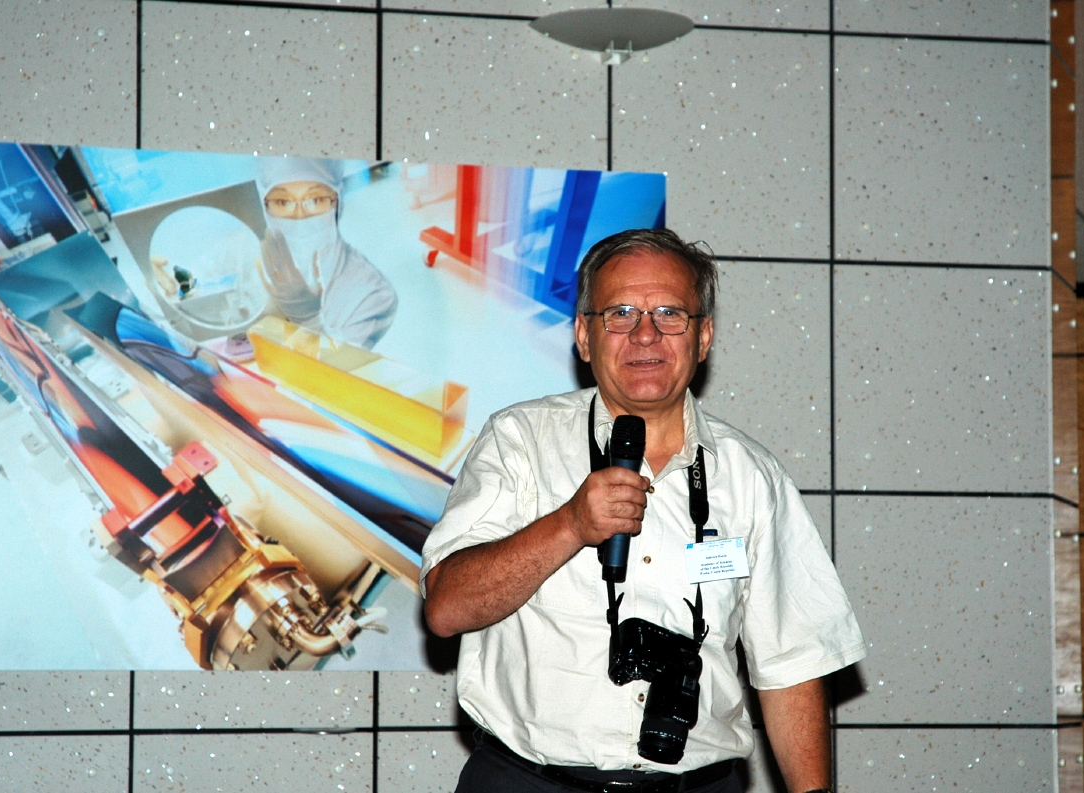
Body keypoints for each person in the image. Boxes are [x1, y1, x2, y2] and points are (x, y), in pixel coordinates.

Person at [421, 228, 865, 793]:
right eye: (621, 313)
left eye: (670, 314)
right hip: (530, 782)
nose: (646, 334)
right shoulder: (520, 442)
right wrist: (569, 525)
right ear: (584, 336)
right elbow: (447, 608)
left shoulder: (752, 477)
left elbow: (793, 664)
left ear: (703, 337)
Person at [255, 158, 397, 348]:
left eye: (315, 200)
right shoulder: (250, 274)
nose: (300, 217)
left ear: (337, 202)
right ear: (265, 206)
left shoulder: (372, 293)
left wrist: (309, 320)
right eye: (283, 202)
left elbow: (343, 364)